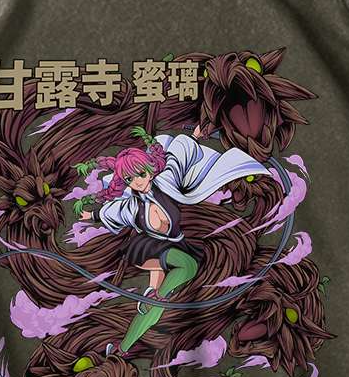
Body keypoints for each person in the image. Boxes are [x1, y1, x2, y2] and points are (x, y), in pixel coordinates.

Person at [75, 126, 270, 354]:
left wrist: (194, 137)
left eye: (140, 174)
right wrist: (91, 216)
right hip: (148, 249)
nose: (137, 181)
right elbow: (111, 212)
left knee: (154, 310)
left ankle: (122, 348)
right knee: (188, 266)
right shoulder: (130, 207)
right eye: (129, 178)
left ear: (150, 170)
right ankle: (159, 295)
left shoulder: (167, 180)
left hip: (176, 244)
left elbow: (178, 157)